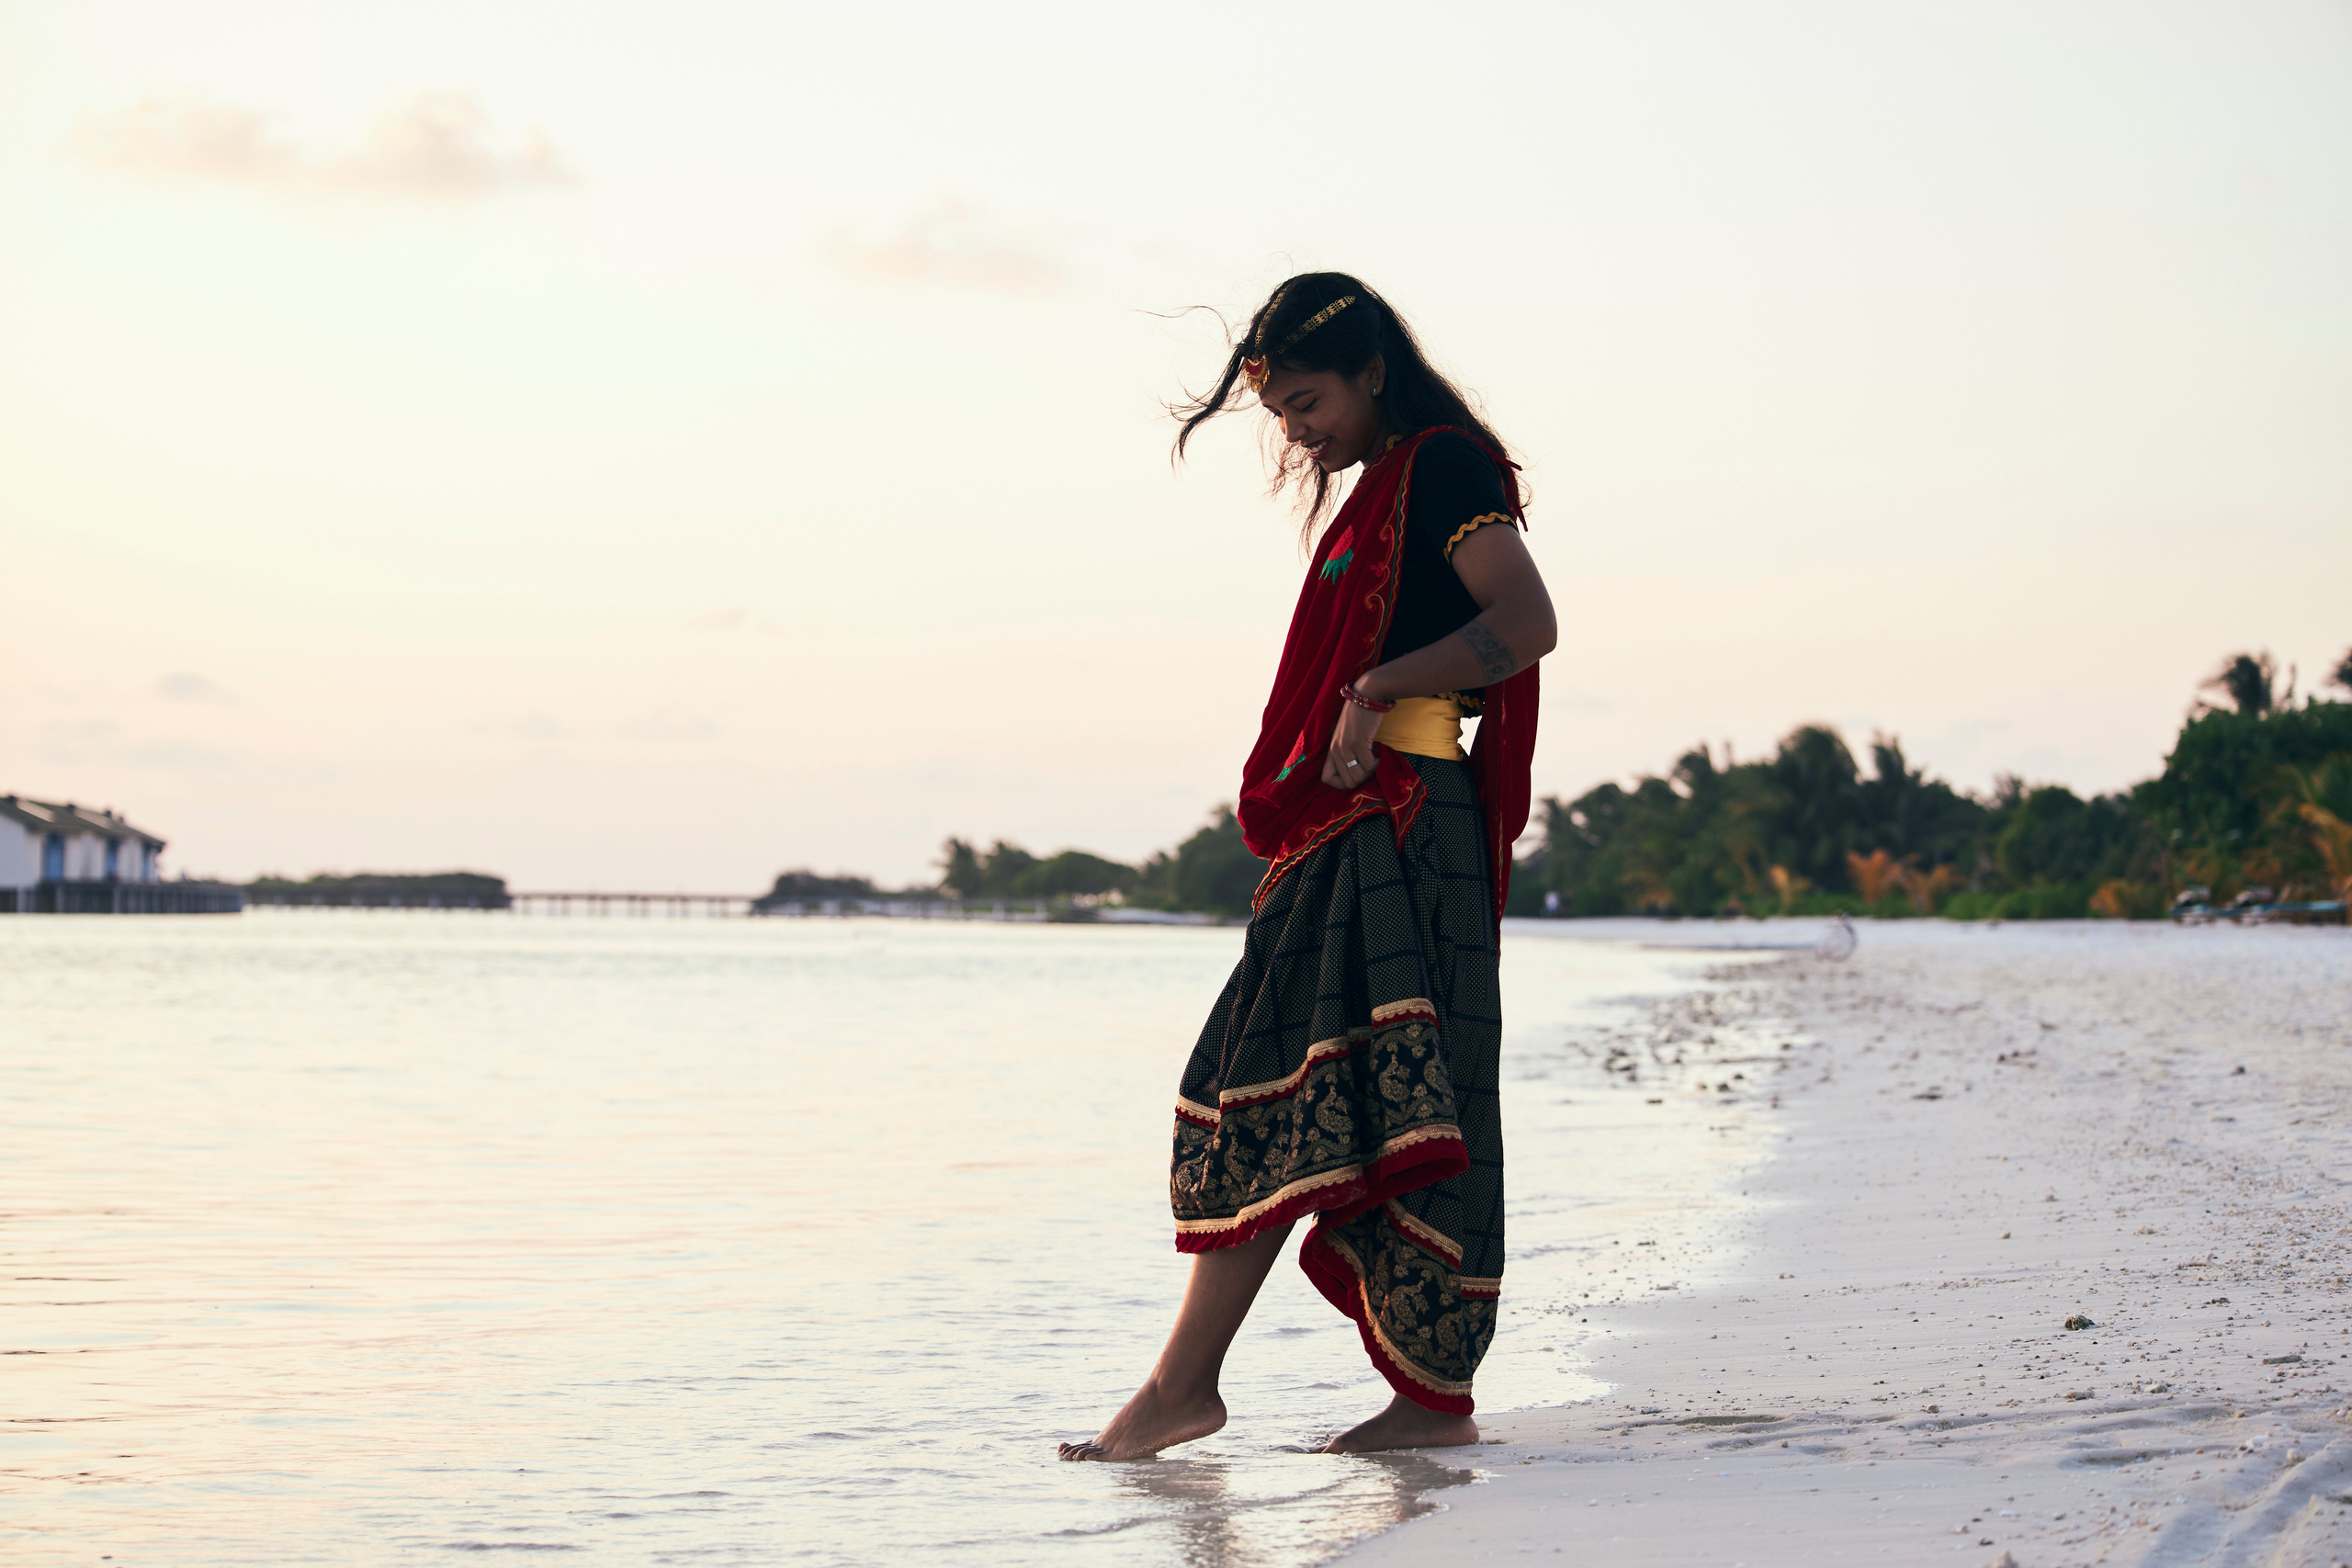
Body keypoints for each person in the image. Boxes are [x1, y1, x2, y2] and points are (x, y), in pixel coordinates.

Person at [1059, 273, 1555, 1461]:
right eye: (1280, 413)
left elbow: (1527, 620)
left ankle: (1213, 1388)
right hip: (1357, 823)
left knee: (1294, 1078)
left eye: (1308, 400)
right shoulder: (1381, 484)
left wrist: (1378, 689)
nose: (1297, 430)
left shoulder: (1442, 463)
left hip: (1403, 820)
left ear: (1373, 369)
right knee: (1324, 1087)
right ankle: (1385, 1398)